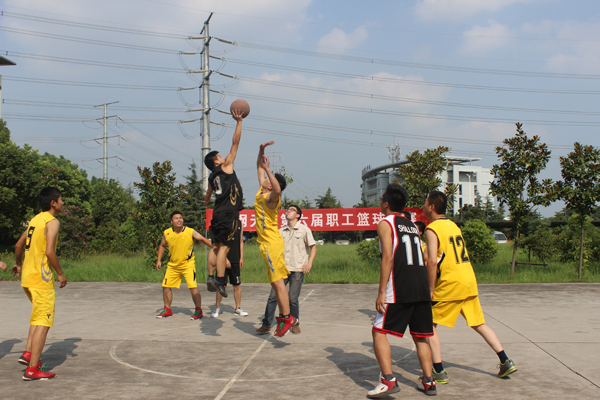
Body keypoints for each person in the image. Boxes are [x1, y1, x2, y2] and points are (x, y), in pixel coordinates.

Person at [423, 191, 517, 384]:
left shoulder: (432, 229)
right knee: (479, 324)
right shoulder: (453, 226)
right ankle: (505, 360)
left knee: (429, 325)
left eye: (425, 203)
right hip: (468, 280)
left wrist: (430, 288)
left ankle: (438, 371)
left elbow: (431, 261)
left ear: (431, 207)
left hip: (450, 283)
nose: (423, 206)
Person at [368, 184, 436, 398]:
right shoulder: (412, 225)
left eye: (381, 199)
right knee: (421, 336)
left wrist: (381, 292)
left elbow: (388, 258)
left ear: (386, 203)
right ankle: (428, 382)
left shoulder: (385, 223)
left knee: (378, 331)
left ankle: (388, 380)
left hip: (400, 286)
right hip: (421, 286)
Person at [10, 187, 67, 380]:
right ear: (53, 203)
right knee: (44, 322)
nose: (63, 203)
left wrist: (19, 264)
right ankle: (32, 369)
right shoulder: (52, 222)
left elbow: (18, 245)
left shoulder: (35, 220)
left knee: (38, 317)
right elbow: (50, 251)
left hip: (28, 278)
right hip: (41, 280)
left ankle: (29, 353)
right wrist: (60, 273)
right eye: (61, 200)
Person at [254, 141, 297, 337]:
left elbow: (278, 190)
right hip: (266, 244)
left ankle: (287, 317)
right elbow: (259, 167)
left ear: (270, 184)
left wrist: (269, 169)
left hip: (271, 244)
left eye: (267, 177)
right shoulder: (261, 192)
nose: (263, 177)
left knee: (278, 283)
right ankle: (283, 317)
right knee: (275, 283)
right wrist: (261, 150)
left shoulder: (272, 199)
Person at [256, 204, 317, 335]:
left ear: (298, 215)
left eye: (292, 210)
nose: (288, 211)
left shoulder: (304, 230)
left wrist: (309, 263)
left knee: (293, 298)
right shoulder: (280, 231)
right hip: (281, 269)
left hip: (297, 269)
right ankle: (266, 324)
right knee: (273, 297)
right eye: (287, 209)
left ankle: (295, 323)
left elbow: (313, 247)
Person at [204, 110, 245, 299]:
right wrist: (239, 122)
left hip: (217, 213)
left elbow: (207, 198)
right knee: (225, 248)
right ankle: (220, 281)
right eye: (219, 157)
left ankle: (211, 276)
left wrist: (208, 200)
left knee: (216, 246)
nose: (223, 157)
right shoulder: (225, 166)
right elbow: (235, 143)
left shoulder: (212, 178)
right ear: (216, 161)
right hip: (229, 214)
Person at [155, 211, 212, 319]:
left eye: (180, 218)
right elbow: (162, 245)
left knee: (193, 287)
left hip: (187, 264)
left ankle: (198, 310)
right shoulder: (167, 233)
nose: (179, 220)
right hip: (173, 265)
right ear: (171, 221)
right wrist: (159, 260)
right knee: (166, 286)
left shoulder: (190, 231)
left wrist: (217, 250)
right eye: (176, 218)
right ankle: (167, 309)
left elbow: (203, 239)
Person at [212, 221, 248, 318]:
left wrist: (241, 257)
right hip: (222, 260)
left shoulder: (240, 224)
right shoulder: (223, 223)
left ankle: (237, 308)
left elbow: (241, 241)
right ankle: (217, 308)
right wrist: (225, 259)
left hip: (235, 259)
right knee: (221, 285)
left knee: (237, 285)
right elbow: (218, 244)